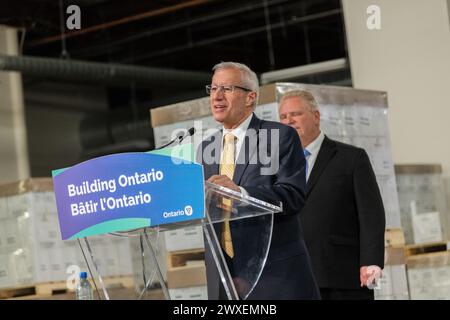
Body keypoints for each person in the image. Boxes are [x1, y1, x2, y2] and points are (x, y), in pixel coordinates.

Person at [197, 62, 319, 300]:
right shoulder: (206, 148)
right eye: (212, 89)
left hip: (273, 275)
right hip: (225, 278)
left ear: (250, 97)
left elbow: (292, 196)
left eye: (227, 88)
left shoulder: (279, 136)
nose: (217, 96)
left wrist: (240, 193)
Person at [278, 89, 386, 300]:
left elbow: (371, 214)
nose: (288, 121)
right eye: (283, 117)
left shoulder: (351, 158)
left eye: (296, 114)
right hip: (294, 278)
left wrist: (371, 261)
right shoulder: (278, 167)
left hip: (342, 276)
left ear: (316, 117)